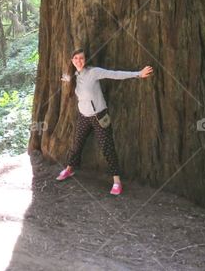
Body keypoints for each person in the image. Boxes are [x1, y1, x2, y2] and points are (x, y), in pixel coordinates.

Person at [55, 48, 153, 195]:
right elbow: (70, 80)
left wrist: (139, 74)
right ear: (72, 60)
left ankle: (117, 182)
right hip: (83, 116)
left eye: (81, 58)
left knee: (107, 147)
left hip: (99, 116)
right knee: (77, 145)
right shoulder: (75, 75)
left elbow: (115, 74)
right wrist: (66, 78)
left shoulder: (94, 72)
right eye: (75, 58)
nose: (78, 61)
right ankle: (69, 169)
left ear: (85, 59)